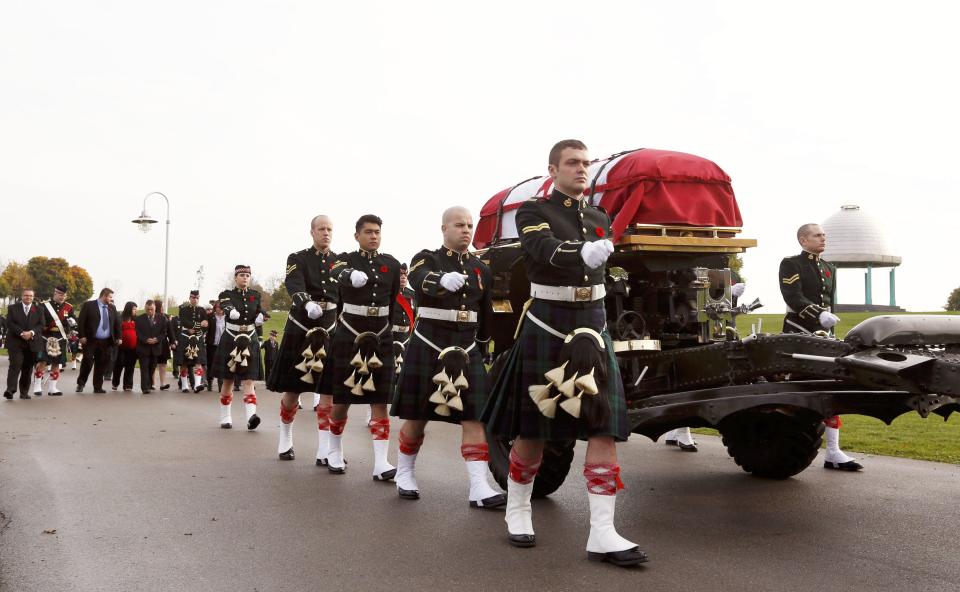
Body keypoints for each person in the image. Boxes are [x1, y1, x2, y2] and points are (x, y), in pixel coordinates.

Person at [482, 140, 647, 566]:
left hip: (593, 324)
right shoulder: (535, 212)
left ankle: (603, 532)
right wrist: (580, 253)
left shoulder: (597, 215)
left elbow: (601, 266)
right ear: (553, 169)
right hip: (548, 322)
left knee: (602, 427)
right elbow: (541, 250)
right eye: (573, 163)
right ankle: (518, 509)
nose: (582, 169)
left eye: (586, 163)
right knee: (535, 428)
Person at [389, 206, 505, 508]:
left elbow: (485, 312)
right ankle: (404, 473)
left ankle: (479, 487)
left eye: (469, 225)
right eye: (459, 225)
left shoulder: (482, 269)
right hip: (430, 343)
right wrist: (439, 281)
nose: (466, 230)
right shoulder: (427, 257)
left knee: (475, 416)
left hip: (467, 347)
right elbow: (418, 276)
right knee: (418, 415)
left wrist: (484, 346)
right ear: (444, 229)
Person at [780, 223, 862, 471]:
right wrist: (817, 315)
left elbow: (829, 302)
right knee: (802, 387)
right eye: (817, 235)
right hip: (799, 332)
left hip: (823, 334)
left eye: (824, 235)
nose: (823, 238)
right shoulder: (792, 263)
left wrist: (829, 326)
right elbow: (792, 296)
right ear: (803, 240)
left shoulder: (829, 267)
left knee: (830, 386)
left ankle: (833, 452)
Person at [326, 214, 401, 479]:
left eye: (377, 232)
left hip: (380, 333)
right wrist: (348, 275)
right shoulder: (346, 258)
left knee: (380, 398)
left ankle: (381, 462)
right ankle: (333, 450)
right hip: (350, 332)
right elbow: (334, 270)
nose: (374, 236)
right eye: (368, 232)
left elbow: (392, 300)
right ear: (357, 235)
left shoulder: (391, 264)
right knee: (343, 398)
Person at [268, 214, 342, 463]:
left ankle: (324, 449)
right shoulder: (298, 258)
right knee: (294, 387)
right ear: (312, 232)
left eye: (330, 229)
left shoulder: (340, 262)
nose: (326, 233)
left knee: (328, 390)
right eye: (321, 229)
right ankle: (286, 438)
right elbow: (294, 283)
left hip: (329, 325)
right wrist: (306, 302)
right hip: (302, 324)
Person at [212, 265, 264, 430]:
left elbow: (258, 310)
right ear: (235, 278)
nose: (245, 278)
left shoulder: (255, 295)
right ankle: (225, 415)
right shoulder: (227, 294)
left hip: (249, 338)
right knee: (228, 379)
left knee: (249, 379)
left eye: (247, 275)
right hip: (231, 339)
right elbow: (226, 305)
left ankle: (251, 417)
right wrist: (230, 311)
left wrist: (262, 316)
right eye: (241, 275)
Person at [33, 284, 77, 396]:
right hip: (45, 336)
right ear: (55, 293)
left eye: (64, 295)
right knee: (42, 361)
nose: (62, 297)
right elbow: (37, 321)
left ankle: (53, 388)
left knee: (57, 363)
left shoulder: (69, 307)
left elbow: (72, 322)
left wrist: (72, 324)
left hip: (60, 337)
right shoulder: (44, 305)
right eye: (60, 294)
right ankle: (37, 385)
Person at [76, 288, 121, 393]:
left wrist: (119, 337)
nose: (111, 299)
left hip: (106, 341)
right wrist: (81, 336)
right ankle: (81, 384)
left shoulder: (112, 308)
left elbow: (116, 324)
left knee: (101, 364)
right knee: (87, 361)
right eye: (110, 296)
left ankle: (98, 387)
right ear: (104, 296)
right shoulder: (89, 305)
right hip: (91, 340)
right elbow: (81, 321)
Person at [4, 288, 44, 400]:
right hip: (15, 342)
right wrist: (22, 333)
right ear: (22, 296)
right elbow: (10, 323)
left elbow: (41, 325)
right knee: (15, 365)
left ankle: (24, 392)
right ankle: (10, 390)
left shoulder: (39, 309)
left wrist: (31, 332)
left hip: (32, 343)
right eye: (26, 295)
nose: (28, 298)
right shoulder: (12, 308)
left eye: (31, 296)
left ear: (33, 297)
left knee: (28, 368)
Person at [176, 290, 209, 393]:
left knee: (198, 362)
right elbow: (184, 322)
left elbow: (206, 325)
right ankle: (185, 386)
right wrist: (199, 325)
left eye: (197, 298)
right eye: (193, 298)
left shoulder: (202, 310)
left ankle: (197, 385)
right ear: (190, 298)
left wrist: (198, 328)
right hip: (185, 337)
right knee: (184, 363)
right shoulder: (183, 309)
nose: (195, 300)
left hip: (198, 338)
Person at [134, 300, 168, 394]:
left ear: (155, 308)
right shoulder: (139, 319)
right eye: (148, 309)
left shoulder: (162, 318)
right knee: (144, 367)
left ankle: (148, 384)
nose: (150, 311)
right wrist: (146, 339)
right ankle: (145, 388)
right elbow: (137, 332)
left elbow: (164, 332)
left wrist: (157, 339)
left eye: (151, 309)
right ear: (145, 308)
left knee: (152, 367)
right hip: (143, 347)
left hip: (156, 348)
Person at [112, 301, 139, 392]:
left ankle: (128, 385)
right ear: (129, 309)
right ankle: (115, 383)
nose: (135, 311)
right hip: (121, 347)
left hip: (133, 348)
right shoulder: (120, 318)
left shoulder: (136, 320)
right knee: (119, 364)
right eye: (134, 309)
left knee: (130, 366)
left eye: (136, 309)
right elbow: (115, 330)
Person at [205, 302, 225, 392]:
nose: (220, 309)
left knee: (222, 365)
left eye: (221, 308)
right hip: (212, 344)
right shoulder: (210, 317)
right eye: (218, 308)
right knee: (211, 364)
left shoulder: (227, 318)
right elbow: (206, 330)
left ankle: (221, 385)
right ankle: (209, 382)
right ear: (215, 308)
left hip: (223, 345)